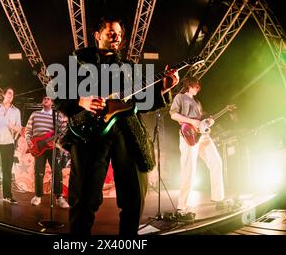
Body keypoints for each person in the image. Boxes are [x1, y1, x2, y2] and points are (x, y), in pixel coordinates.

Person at [53, 16, 179, 235]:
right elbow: (56, 93)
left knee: (134, 199)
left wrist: (164, 89)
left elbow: (144, 102)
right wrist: (81, 101)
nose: (116, 37)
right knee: (83, 199)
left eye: (119, 34)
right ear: (97, 35)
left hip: (127, 135)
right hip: (89, 135)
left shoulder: (130, 68)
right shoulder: (78, 63)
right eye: (111, 32)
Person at [169, 77, 225, 219]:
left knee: (216, 162)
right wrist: (191, 121)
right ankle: (182, 207)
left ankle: (218, 198)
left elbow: (200, 122)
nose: (197, 89)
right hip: (188, 135)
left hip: (202, 135)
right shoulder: (180, 97)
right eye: (195, 86)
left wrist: (208, 123)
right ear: (189, 85)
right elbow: (173, 114)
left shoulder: (198, 103)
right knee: (189, 170)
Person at [25, 96, 70, 209]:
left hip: (53, 147)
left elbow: (63, 130)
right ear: (42, 101)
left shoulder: (58, 115)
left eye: (48, 98)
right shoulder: (35, 114)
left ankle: (59, 197)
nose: (46, 99)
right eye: (44, 98)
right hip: (37, 146)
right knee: (38, 172)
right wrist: (29, 141)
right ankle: (38, 196)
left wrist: (58, 139)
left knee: (57, 171)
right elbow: (28, 130)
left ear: (52, 102)